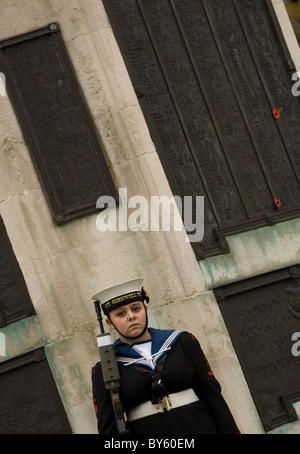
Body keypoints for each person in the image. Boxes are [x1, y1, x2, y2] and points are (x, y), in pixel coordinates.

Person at [91, 278, 240, 434]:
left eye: (136, 309)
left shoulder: (182, 342)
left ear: (145, 309)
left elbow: (213, 397)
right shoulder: (105, 367)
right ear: (109, 322)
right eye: (120, 313)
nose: (131, 316)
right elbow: (107, 427)